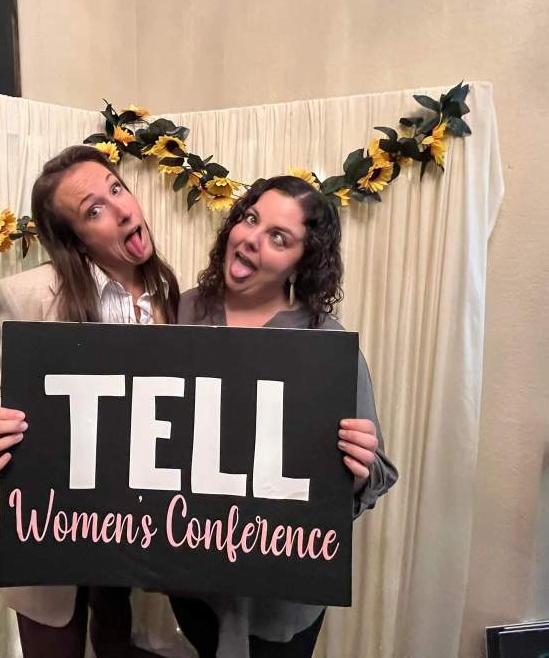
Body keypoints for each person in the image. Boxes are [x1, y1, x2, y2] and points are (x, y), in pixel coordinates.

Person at [169, 175, 398, 658]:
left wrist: (356, 472)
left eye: (279, 237)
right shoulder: (184, 311)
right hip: (194, 578)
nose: (252, 238)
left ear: (303, 262)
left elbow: (376, 473)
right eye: (250, 219)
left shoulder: (325, 344)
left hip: (282, 595)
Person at [0, 145, 180, 657]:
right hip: (50, 535)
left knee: (116, 642)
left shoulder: (173, 299)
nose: (124, 208)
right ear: (74, 239)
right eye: (95, 209)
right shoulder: (28, 296)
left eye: (116, 188)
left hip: (126, 533)